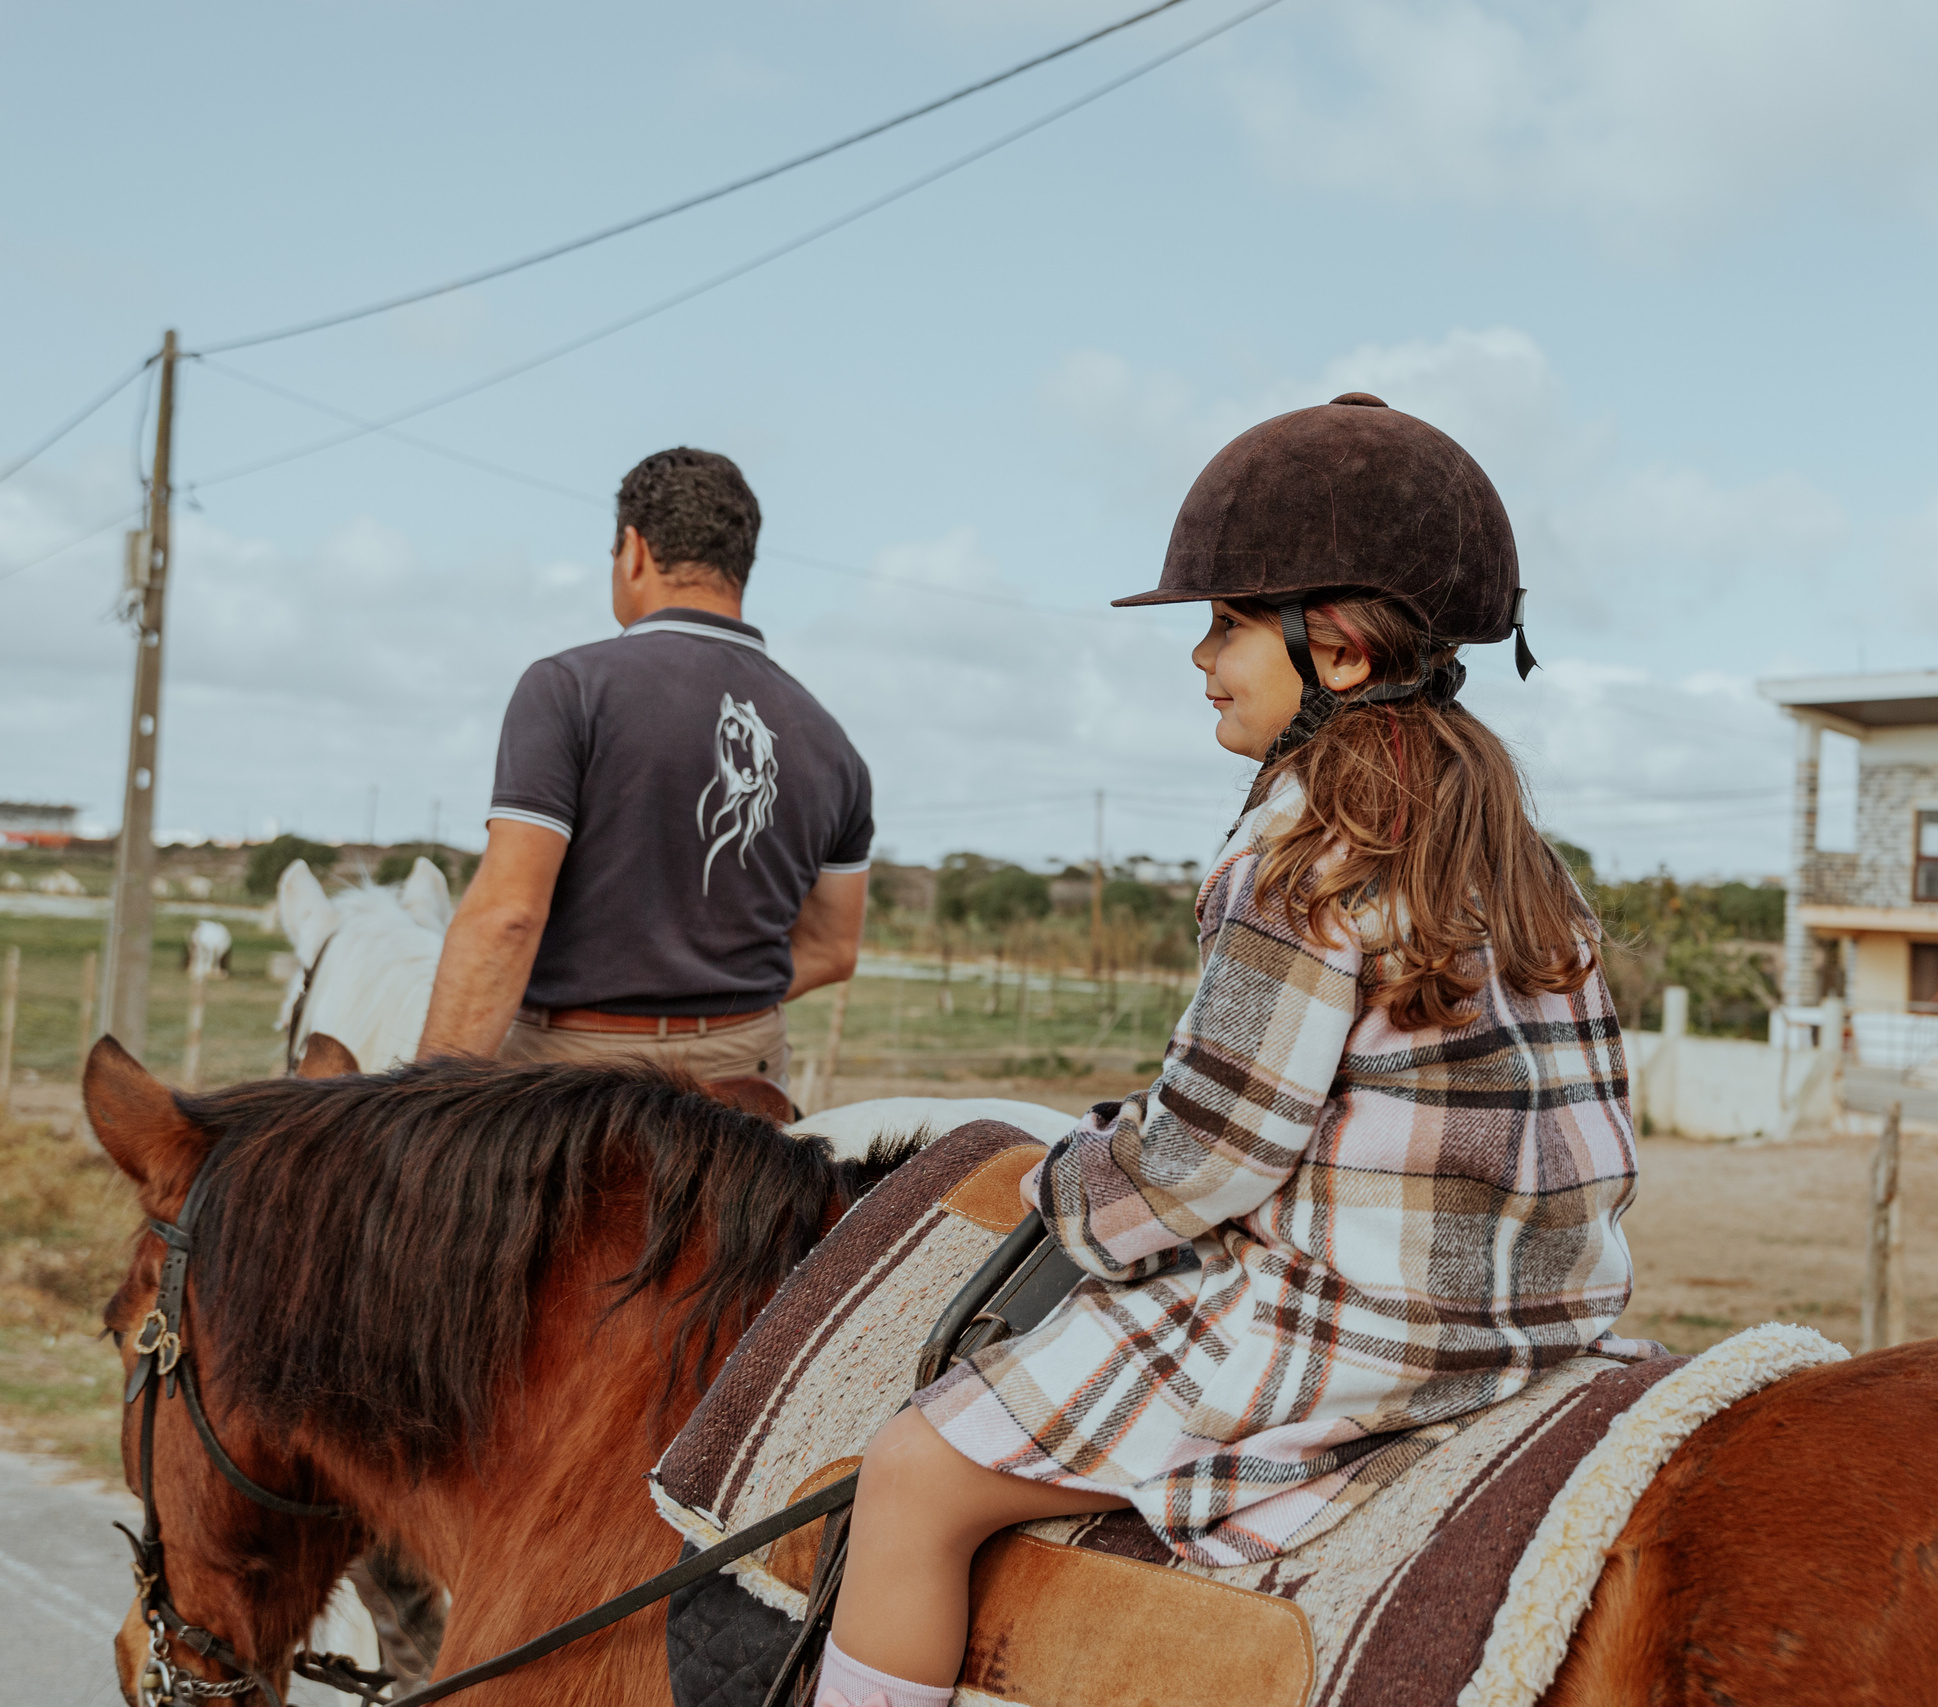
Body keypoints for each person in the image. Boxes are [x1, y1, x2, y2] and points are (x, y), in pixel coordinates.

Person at [812, 394, 1642, 1707]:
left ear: (1339, 652)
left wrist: (1065, 1179)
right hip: (1542, 1316)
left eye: (1227, 622)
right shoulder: (1517, 851)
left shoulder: (1303, 851)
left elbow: (1206, 1159)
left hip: (1360, 1330)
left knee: (912, 1477)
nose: (1200, 654)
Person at [418, 448, 873, 1089]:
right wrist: (711, 1005)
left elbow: (508, 917)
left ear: (632, 551)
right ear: (740, 566)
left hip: (576, 1080)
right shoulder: (831, 742)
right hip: (747, 1073)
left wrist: (420, 1102)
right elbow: (833, 949)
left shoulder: (567, 688)